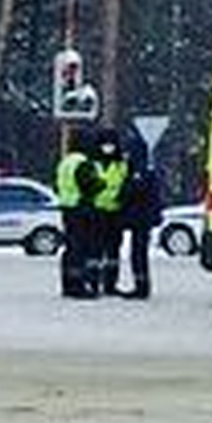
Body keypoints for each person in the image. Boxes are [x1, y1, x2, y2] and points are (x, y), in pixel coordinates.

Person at [55, 131, 102, 298]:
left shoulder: (65, 162)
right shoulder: (83, 163)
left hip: (67, 208)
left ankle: (68, 284)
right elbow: (90, 185)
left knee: (70, 248)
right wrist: (101, 183)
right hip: (82, 209)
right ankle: (79, 286)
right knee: (81, 249)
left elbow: (57, 186)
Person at [119, 131, 164, 299]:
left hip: (140, 218)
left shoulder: (139, 171)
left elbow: (133, 192)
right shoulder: (145, 170)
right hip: (142, 217)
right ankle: (141, 285)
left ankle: (141, 287)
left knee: (138, 254)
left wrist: (122, 194)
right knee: (138, 253)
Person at [92, 127, 129, 296]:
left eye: (111, 144)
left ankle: (110, 284)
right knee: (95, 251)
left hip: (115, 213)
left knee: (113, 251)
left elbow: (126, 185)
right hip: (96, 212)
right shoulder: (92, 163)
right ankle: (93, 282)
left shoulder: (121, 165)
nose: (108, 147)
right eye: (105, 144)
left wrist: (122, 200)